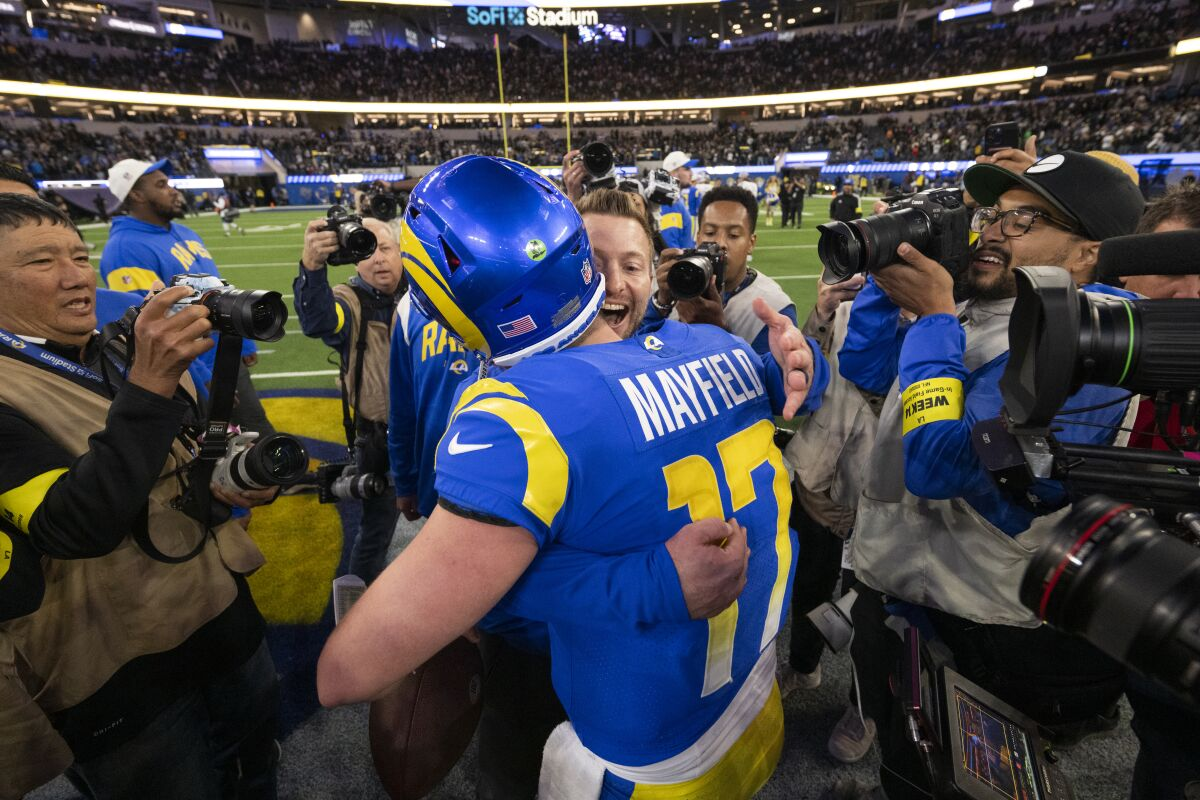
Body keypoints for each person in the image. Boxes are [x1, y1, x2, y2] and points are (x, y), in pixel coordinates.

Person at [318, 155, 822, 798]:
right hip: (751, 707)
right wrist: (805, 372)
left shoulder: (518, 418)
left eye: (633, 264)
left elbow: (345, 673)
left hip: (642, 765)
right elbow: (794, 394)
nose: (616, 280)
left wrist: (636, 586)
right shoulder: (719, 347)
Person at [838, 151, 1146, 798]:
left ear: (1089, 253)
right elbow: (865, 369)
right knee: (905, 763)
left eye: (1022, 221)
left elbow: (939, 464)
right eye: (992, 217)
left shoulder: (1096, 344)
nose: (991, 233)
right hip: (899, 583)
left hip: (985, 626)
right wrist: (882, 274)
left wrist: (931, 320)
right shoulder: (982, 305)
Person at [0, 194, 279, 799]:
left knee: (257, 762)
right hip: (115, 665)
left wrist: (227, 479)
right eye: (43, 262)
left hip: (217, 609)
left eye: (79, 255)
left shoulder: (110, 345)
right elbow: (74, 526)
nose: (77, 276)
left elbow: (174, 467)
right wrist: (151, 385)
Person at [1113, 182, 1200, 800]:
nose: (1189, 292)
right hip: (1152, 615)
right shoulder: (1093, 362)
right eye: (1169, 267)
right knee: (1165, 755)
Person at [98, 158, 275, 437]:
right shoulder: (125, 248)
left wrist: (243, 343)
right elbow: (150, 328)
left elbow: (216, 286)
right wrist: (201, 377)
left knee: (252, 434)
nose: (172, 189)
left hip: (224, 354)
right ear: (136, 194)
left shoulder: (182, 231)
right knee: (234, 445)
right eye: (161, 184)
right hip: (196, 369)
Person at [294, 215, 405, 584]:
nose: (379, 259)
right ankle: (358, 605)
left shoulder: (425, 293)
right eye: (368, 251)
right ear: (354, 260)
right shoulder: (350, 300)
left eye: (386, 248)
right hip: (379, 436)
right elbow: (319, 321)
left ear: (401, 252)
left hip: (433, 435)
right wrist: (312, 268)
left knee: (450, 521)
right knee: (376, 532)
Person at [644, 185, 798, 356]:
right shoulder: (679, 281)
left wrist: (717, 330)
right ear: (698, 237)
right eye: (710, 232)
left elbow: (769, 380)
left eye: (733, 235)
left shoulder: (775, 307)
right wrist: (660, 304)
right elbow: (637, 352)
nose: (720, 243)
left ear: (751, 243)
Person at [659, 150, 696, 249]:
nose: (691, 173)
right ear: (673, 173)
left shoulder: (674, 198)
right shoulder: (669, 201)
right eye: (687, 169)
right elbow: (671, 248)